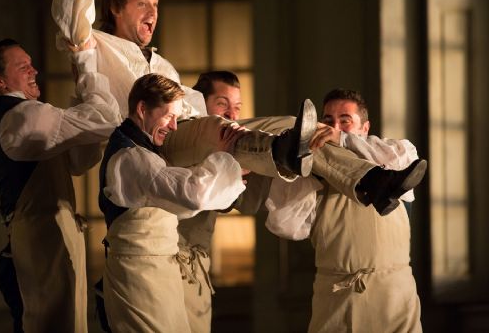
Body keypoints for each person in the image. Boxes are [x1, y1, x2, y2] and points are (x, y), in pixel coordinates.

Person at [50, 0, 427, 218]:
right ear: (116, 8)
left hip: (199, 132)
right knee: (221, 128)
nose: (153, 12)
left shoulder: (162, 65)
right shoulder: (96, 45)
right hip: (160, 143)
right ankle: (280, 153)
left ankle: (371, 183)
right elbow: (71, 15)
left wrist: (237, 130)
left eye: (156, 5)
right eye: (142, 3)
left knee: (295, 127)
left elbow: (199, 113)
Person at [0, 38, 120, 333]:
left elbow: (78, 161)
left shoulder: (20, 117)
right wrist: (87, 70)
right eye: (23, 67)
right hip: (42, 244)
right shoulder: (22, 117)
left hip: (49, 239)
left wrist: (82, 90)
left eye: (31, 65)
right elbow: (107, 119)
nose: (34, 71)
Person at [265, 88, 425, 333]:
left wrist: (341, 139)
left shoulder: (394, 158)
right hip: (337, 298)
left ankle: (373, 181)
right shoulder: (315, 176)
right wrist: (302, 166)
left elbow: (404, 156)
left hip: (394, 297)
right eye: (327, 121)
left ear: (365, 128)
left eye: (345, 121)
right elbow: (285, 226)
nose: (333, 127)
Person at [98, 73, 247, 332]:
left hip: (157, 271)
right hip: (139, 276)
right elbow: (191, 194)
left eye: (178, 118)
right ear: (142, 109)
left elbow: (179, 206)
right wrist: (224, 159)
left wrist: (230, 170)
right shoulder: (131, 157)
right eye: (169, 116)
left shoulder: (145, 152)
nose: (175, 127)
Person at [177, 71, 268, 333]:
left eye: (236, 107)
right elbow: (198, 193)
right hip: (169, 261)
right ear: (199, 102)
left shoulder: (227, 146)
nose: (231, 114)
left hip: (198, 263)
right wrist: (226, 167)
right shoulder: (179, 139)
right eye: (222, 104)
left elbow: (244, 203)